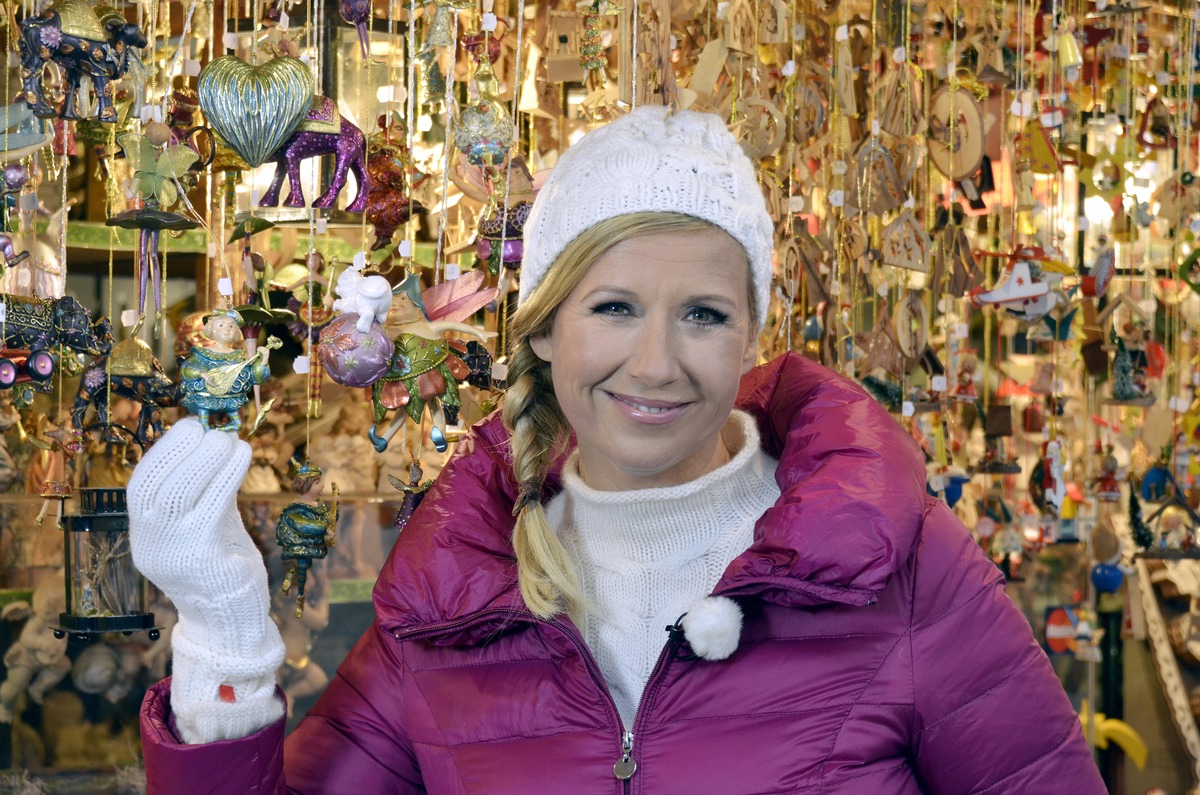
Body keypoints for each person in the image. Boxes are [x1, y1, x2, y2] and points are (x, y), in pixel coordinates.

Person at [130, 107, 1105, 793]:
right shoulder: (454, 596)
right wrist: (222, 641)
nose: (655, 362)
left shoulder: (901, 565)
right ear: (546, 330)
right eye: (614, 308)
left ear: (751, 333)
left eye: (703, 315)